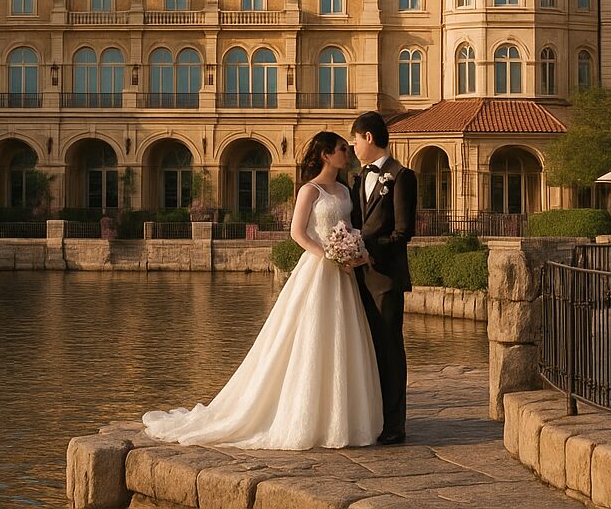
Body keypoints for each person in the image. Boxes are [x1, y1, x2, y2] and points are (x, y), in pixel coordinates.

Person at [141, 131, 383, 450]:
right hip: (318, 270)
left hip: (343, 274)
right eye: (341, 149)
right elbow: (297, 233)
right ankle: (301, 415)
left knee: (342, 339)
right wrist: (329, 254)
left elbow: (349, 228)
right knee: (308, 339)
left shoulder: (343, 190)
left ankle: (340, 418)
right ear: (326, 154)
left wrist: (354, 251)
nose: (347, 153)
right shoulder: (310, 190)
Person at [349, 110, 417, 446]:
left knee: (390, 351)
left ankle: (395, 424)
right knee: (366, 351)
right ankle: (371, 417)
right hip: (358, 278)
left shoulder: (402, 176)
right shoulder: (359, 178)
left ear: (369, 138)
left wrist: (369, 251)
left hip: (386, 279)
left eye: (356, 140)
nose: (354, 146)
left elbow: (404, 232)